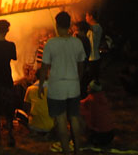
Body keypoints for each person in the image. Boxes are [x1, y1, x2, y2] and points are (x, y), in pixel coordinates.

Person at [40, 11, 86, 155]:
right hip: (73, 85)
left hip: (57, 87)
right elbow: (81, 65)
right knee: (74, 117)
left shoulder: (51, 44)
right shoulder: (77, 42)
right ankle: (78, 151)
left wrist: (41, 83)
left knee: (60, 119)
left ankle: (66, 151)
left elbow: (44, 67)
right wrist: (77, 78)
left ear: (57, 25)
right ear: (69, 25)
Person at [80, 81, 115, 146]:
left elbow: (88, 118)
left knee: (78, 116)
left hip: (100, 136)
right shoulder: (103, 97)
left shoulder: (91, 100)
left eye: (89, 86)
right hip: (110, 134)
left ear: (92, 89)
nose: (87, 87)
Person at [85, 11, 103, 83]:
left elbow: (86, 26)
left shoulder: (97, 27)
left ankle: (96, 92)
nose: (85, 18)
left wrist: (78, 21)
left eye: (86, 16)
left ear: (91, 16)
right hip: (90, 57)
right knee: (91, 80)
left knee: (94, 80)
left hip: (94, 58)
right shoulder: (90, 29)